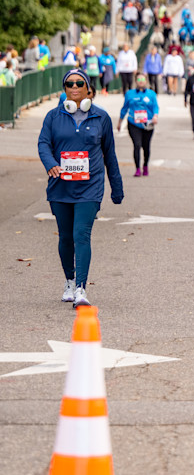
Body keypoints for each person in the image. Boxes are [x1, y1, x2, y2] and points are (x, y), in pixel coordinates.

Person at [37, 69, 124, 308]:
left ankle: (81, 289)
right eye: (69, 84)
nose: (74, 87)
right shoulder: (53, 117)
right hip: (60, 187)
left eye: (79, 83)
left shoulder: (101, 118)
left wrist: (117, 188)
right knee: (65, 237)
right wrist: (51, 163)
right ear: (64, 89)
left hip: (90, 187)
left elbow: (110, 155)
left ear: (88, 89)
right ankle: (69, 280)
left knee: (81, 235)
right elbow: (44, 143)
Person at [118, 74, 159, 176]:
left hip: (147, 124)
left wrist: (155, 116)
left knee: (146, 147)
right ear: (136, 81)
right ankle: (137, 168)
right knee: (137, 145)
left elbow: (155, 107)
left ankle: (145, 165)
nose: (141, 81)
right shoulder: (129, 94)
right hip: (133, 123)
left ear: (146, 81)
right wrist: (120, 122)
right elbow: (124, 109)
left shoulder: (151, 94)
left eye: (143, 79)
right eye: (139, 79)